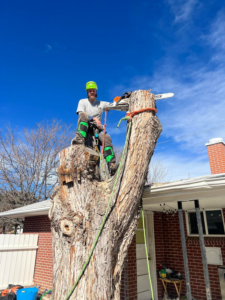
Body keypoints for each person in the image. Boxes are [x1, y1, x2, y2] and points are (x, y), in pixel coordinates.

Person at [72, 81, 117, 175]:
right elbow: (81, 114)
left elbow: (115, 105)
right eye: (90, 91)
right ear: (87, 92)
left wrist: (123, 99)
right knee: (83, 115)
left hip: (97, 130)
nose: (92, 92)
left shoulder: (102, 104)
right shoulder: (82, 102)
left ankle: (111, 165)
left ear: (96, 91)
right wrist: (94, 119)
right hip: (86, 127)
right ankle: (79, 138)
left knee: (106, 138)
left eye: (93, 90)